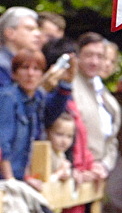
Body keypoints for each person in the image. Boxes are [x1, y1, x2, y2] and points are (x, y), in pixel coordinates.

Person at [0, 50, 72, 184]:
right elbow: (3, 143)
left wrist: (27, 178)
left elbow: (30, 144)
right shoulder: (7, 97)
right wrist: (10, 180)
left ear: (42, 74)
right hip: (6, 181)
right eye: (24, 68)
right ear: (14, 73)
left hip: (20, 177)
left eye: (36, 69)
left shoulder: (36, 99)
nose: (30, 74)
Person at [72, 33, 121, 181]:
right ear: (78, 55)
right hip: (77, 170)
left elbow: (112, 138)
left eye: (100, 56)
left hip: (98, 172)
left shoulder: (103, 92)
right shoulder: (69, 85)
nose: (94, 61)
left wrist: (104, 164)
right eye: (89, 55)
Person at [0, 7, 42, 87]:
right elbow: (7, 98)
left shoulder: (25, 61)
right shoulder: (2, 66)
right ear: (10, 33)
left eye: (37, 29)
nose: (38, 34)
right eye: (29, 29)